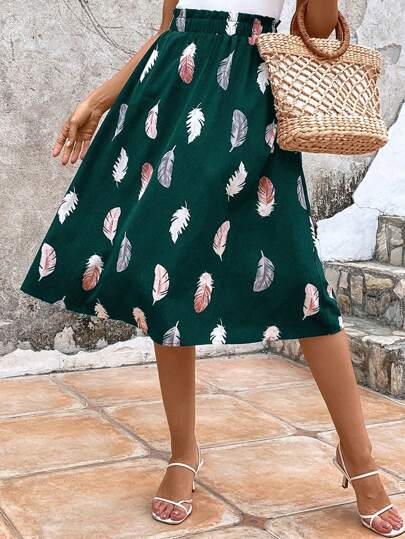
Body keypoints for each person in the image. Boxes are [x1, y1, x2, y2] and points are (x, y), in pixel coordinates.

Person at [19, 0, 405, 535]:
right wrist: (99, 99)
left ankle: (359, 456)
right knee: (167, 275)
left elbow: (317, 30)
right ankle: (184, 451)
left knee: (303, 283)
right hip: (171, 103)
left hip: (250, 107)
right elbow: (168, 32)